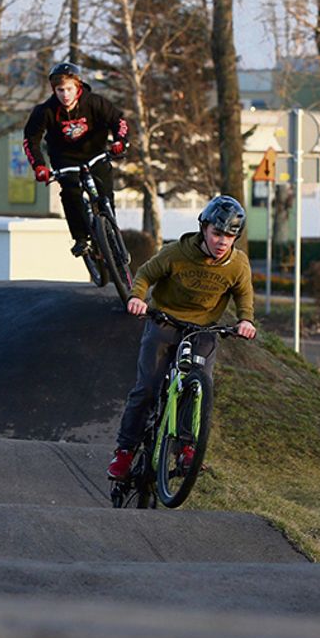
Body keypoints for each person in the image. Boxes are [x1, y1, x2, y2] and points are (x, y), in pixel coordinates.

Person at [107, 195, 258, 481]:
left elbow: (243, 294)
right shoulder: (176, 253)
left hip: (203, 330)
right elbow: (144, 275)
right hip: (165, 321)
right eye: (217, 233)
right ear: (204, 228)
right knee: (148, 388)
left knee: (198, 387)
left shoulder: (237, 264)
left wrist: (245, 320)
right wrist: (137, 298)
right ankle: (124, 452)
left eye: (230, 235)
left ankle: (188, 450)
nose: (222, 241)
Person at [23, 62, 129, 257]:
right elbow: (31, 140)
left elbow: (118, 121)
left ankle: (110, 231)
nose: (65, 95)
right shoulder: (45, 111)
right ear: (54, 90)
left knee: (105, 194)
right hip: (65, 160)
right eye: (60, 90)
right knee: (71, 193)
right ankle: (81, 238)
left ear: (78, 86)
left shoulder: (94, 102)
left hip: (95, 154)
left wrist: (120, 142)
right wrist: (39, 166)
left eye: (69, 89)